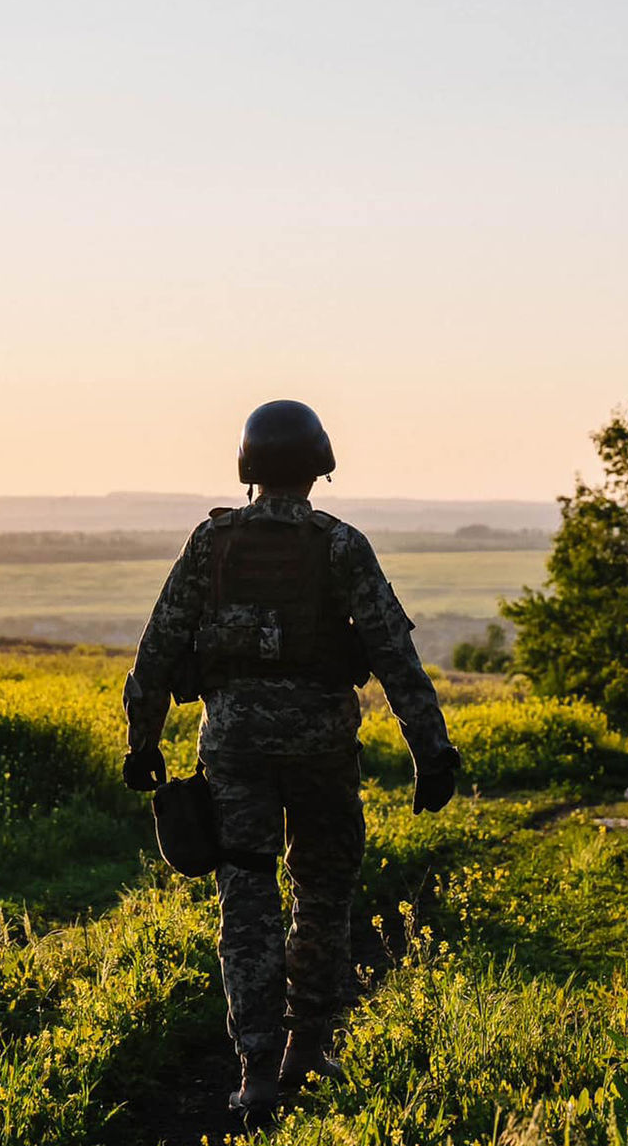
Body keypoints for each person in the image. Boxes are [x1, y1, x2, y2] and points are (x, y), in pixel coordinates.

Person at [121, 399, 462, 1125]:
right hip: (322, 751)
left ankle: (253, 1070)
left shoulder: (211, 544)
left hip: (234, 751)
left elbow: (157, 647)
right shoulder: (341, 547)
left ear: (248, 469)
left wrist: (142, 741)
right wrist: (429, 753)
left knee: (247, 899)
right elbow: (393, 655)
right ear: (319, 466)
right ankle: (306, 1048)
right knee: (323, 892)